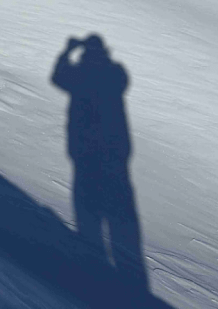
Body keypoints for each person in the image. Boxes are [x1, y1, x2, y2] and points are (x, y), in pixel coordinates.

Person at [52, 35, 148, 293]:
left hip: (86, 154)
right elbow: (120, 79)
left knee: (88, 211)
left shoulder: (81, 76)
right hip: (115, 152)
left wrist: (67, 51)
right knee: (119, 211)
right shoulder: (115, 74)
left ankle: (93, 266)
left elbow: (57, 77)